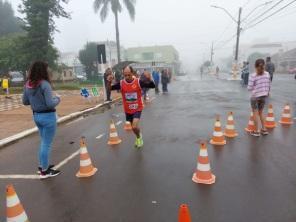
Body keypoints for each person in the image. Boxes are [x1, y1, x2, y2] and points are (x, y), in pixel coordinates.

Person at [22, 61, 61, 179]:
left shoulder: (28, 84)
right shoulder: (45, 84)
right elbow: (50, 104)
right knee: (46, 144)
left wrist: (35, 101)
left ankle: (42, 166)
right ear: (43, 70)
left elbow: (25, 101)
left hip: (36, 116)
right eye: (47, 69)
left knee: (44, 142)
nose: (49, 71)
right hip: (48, 117)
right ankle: (45, 171)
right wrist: (58, 99)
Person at [108, 65, 155, 148]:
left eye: (128, 75)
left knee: (134, 126)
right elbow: (110, 88)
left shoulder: (138, 82)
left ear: (132, 73)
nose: (127, 77)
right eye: (125, 75)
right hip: (128, 110)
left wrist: (150, 78)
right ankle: (138, 136)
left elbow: (152, 86)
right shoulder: (122, 83)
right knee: (133, 128)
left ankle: (139, 138)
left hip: (137, 108)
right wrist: (109, 81)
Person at [247, 59, 271, 137]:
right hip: (264, 96)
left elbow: (249, 88)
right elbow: (269, 85)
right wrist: (266, 92)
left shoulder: (253, 75)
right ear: (264, 65)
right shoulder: (267, 74)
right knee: (261, 113)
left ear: (255, 66)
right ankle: (264, 129)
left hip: (255, 97)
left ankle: (256, 131)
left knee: (255, 113)